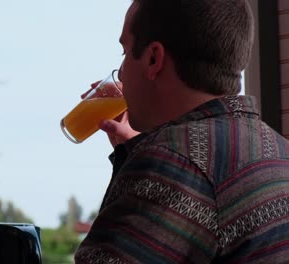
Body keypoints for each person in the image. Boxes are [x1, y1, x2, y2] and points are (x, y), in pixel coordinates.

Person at [74, 0, 289, 263]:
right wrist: (132, 156)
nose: (121, 74)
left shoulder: (172, 161)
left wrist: (152, 161)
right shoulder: (279, 152)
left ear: (154, 58)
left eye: (125, 53)